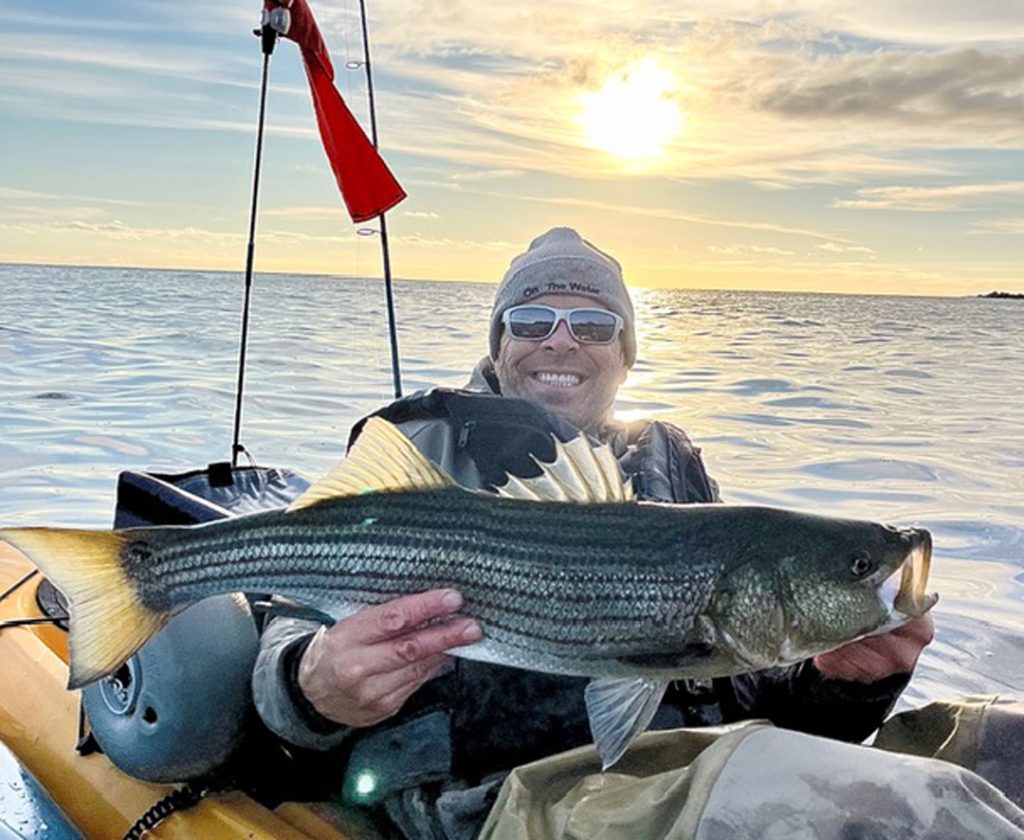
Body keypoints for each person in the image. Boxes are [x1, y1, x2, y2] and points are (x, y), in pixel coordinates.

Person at [252, 227, 935, 838]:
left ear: (626, 354)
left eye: (593, 323)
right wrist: (311, 684)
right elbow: (289, 621)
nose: (560, 340)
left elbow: (733, 683)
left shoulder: (673, 473)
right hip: (477, 809)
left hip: (678, 783)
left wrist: (844, 685)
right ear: (499, 342)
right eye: (530, 319)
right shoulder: (421, 451)